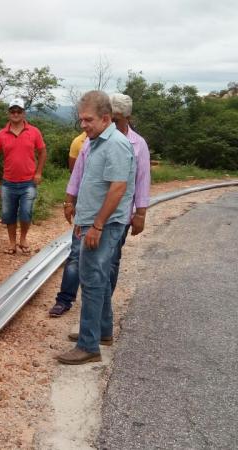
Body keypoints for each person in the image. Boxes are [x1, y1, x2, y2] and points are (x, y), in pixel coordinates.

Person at [48, 94, 150, 318]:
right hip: (91, 215)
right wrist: (70, 199)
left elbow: (140, 180)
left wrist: (140, 212)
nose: (114, 122)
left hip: (114, 217)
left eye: (118, 118)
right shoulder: (91, 140)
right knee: (79, 259)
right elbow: (81, 174)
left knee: (107, 266)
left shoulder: (135, 144)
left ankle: (97, 326)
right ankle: (67, 301)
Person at [55, 91, 136, 365]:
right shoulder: (97, 142)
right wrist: (82, 219)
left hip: (105, 225)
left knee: (91, 281)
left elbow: (118, 187)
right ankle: (102, 332)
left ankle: (88, 345)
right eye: (81, 119)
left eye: (88, 120)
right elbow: (94, 184)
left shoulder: (115, 144)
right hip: (93, 222)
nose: (83, 125)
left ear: (105, 118)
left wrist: (97, 225)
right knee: (97, 279)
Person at [0, 98, 47, 255]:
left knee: (26, 212)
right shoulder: (2, 134)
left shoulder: (34, 131)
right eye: (13, 111)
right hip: (8, 182)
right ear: (9, 113)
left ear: (24, 113)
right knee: (8, 215)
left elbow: (42, 151)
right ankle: (12, 243)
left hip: (28, 181)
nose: (16, 114)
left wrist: (38, 172)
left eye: (19, 111)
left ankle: (23, 238)